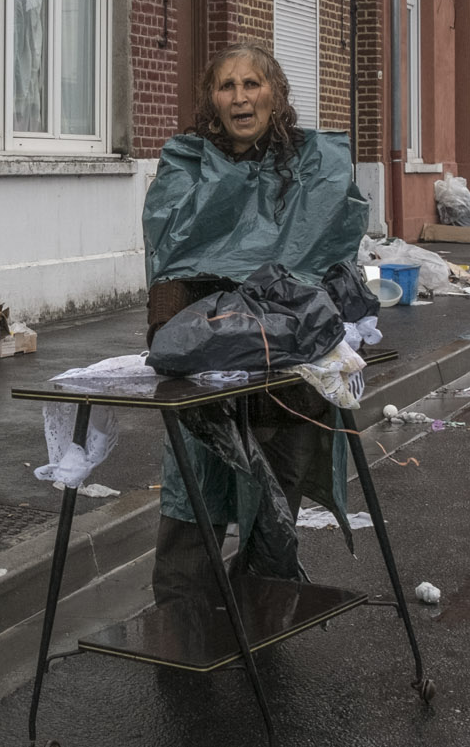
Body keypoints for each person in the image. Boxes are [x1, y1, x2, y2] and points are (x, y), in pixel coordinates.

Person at [141, 43, 369, 608]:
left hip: (283, 357)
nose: (240, 97)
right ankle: (183, 629)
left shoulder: (313, 164)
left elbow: (325, 254)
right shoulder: (186, 163)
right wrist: (173, 337)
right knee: (196, 493)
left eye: (252, 84)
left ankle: (262, 620)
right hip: (207, 351)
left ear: (276, 92)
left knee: (276, 490)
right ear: (211, 100)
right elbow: (169, 259)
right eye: (227, 86)